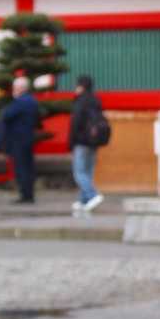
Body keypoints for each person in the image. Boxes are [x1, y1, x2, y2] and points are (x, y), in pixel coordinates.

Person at [68, 74, 106, 217]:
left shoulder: (80, 101)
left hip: (81, 141)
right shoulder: (96, 100)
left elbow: (75, 123)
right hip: (94, 141)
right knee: (88, 171)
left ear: (81, 86)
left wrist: (71, 142)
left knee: (79, 172)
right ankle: (83, 200)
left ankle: (92, 195)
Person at [0, 76, 41, 204]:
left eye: (15, 87)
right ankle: (29, 193)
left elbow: (6, 115)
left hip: (19, 138)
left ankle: (25, 195)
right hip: (28, 137)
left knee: (21, 167)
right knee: (28, 166)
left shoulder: (20, 102)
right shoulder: (32, 101)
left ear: (20, 88)